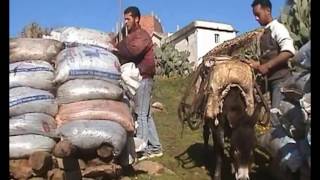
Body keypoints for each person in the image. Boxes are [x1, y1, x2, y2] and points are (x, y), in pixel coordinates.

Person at [113, 6, 163, 161]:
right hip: (142, 77)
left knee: (140, 114)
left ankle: (141, 149)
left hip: (143, 77)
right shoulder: (133, 35)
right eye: (125, 19)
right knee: (146, 115)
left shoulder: (141, 35)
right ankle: (155, 148)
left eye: (128, 19)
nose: (126, 22)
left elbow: (132, 51)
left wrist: (117, 46)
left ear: (136, 19)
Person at [250, 0, 296, 126]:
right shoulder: (265, 32)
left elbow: (289, 51)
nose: (256, 18)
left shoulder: (278, 28)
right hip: (271, 82)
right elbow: (267, 57)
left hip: (281, 81)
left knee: (277, 119)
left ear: (268, 11)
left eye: (258, 14)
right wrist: (257, 65)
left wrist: (267, 66)